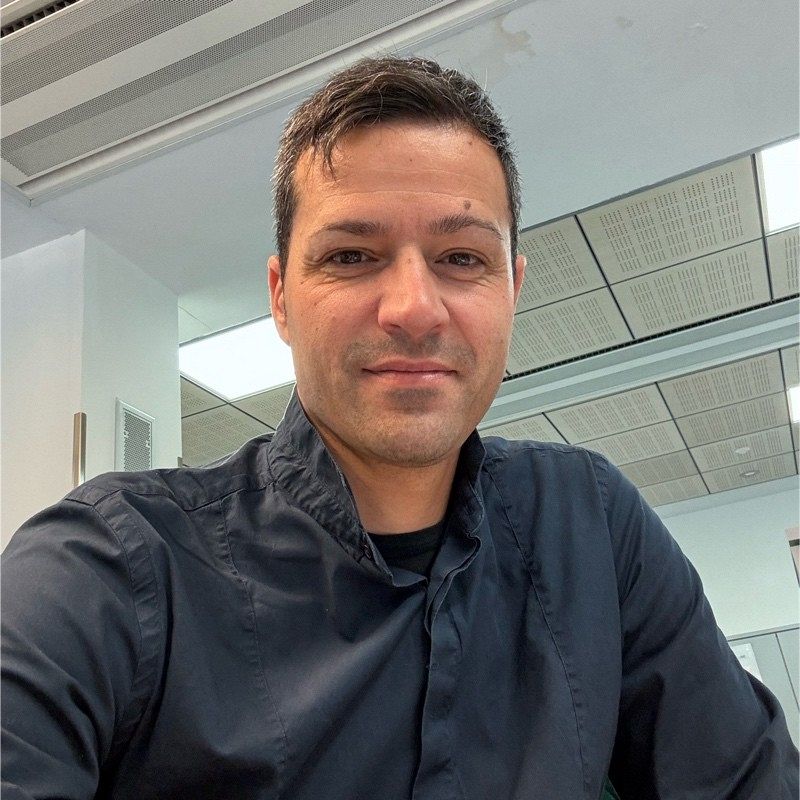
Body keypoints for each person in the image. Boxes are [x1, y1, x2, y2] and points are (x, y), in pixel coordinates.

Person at [1, 56, 797, 800]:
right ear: (281, 298)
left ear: (512, 290)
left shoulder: (592, 525)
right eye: (352, 256)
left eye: (462, 258)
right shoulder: (108, 565)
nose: (415, 308)